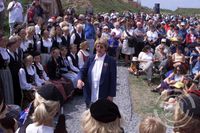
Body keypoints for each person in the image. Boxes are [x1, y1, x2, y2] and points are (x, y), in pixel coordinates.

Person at [77, 38, 117, 108]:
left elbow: (113, 79)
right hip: (90, 93)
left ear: (105, 48)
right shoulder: (91, 59)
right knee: (90, 114)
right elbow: (82, 70)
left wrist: (111, 95)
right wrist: (79, 80)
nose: (99, 49)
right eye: (97, 46)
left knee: (102, 115)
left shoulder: (111, 61)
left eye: (101, 47)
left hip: (103, 94)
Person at [0, 32, 14, 104]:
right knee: (4, 88)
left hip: (7, 71)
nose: (5, 42)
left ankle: (10, 103)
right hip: (2, 72)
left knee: (9, 87)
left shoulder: (5, 50)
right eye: (3, 41)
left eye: (6, 41)